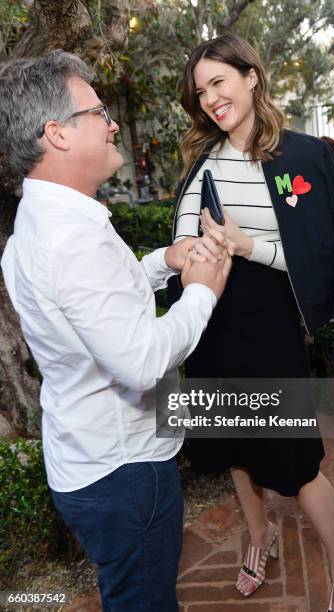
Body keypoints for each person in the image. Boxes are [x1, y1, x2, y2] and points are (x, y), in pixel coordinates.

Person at [0, 51, 232, 612]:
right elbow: (141, 360)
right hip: (125, 472)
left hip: (89, 458)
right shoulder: (69, 239)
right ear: (56, 133)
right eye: (98, 111)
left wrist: (162, 262)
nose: (110, 123)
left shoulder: (47, 221)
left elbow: (98, 304)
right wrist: (204, 288)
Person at [171, 33, 334, 611]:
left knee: (296, 464)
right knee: (234, 447)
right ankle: (258, 537)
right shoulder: (202, 158)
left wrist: (247, 245)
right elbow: (182, 238)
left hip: (271, 323)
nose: (211, 99)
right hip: (211, 323)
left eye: (220, 82)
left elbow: (322, 262)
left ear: (252, 78)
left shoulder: (305, 156)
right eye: (201, 90)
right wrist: (188, 249)